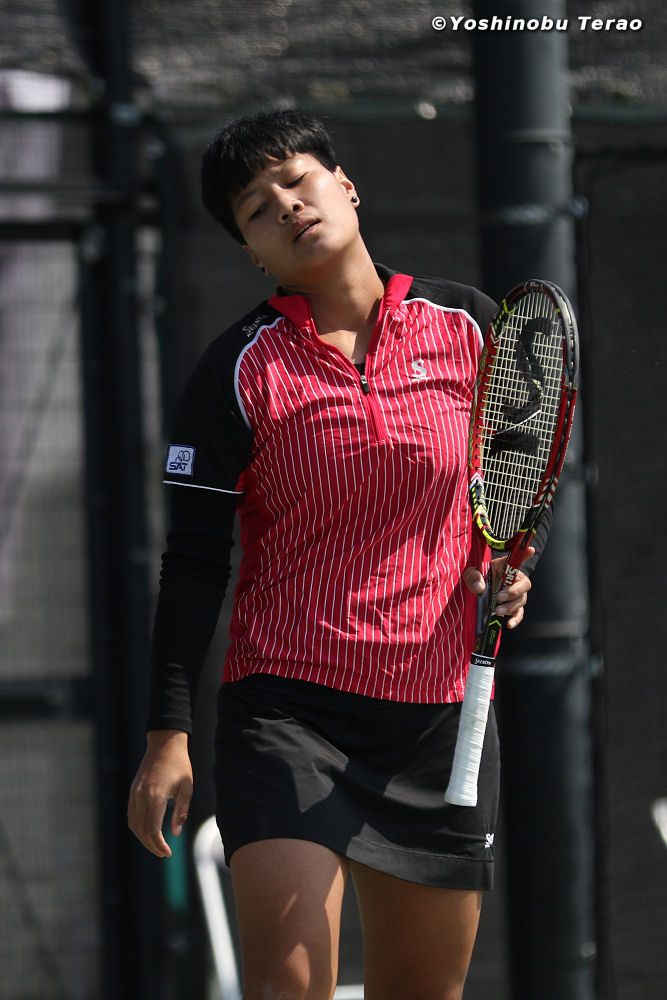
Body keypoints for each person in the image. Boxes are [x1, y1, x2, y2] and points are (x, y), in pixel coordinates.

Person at [128, 110, 548, 1000]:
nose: (285, 205)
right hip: (288, 717)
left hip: (441, 720)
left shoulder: (471, 326)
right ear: (251, 252)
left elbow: (512, 493)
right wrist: (167, 734)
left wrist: (513, 567)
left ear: (345, 186)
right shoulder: (234, 371)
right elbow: (193, 562)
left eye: (296, 180)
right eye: (255, 208)